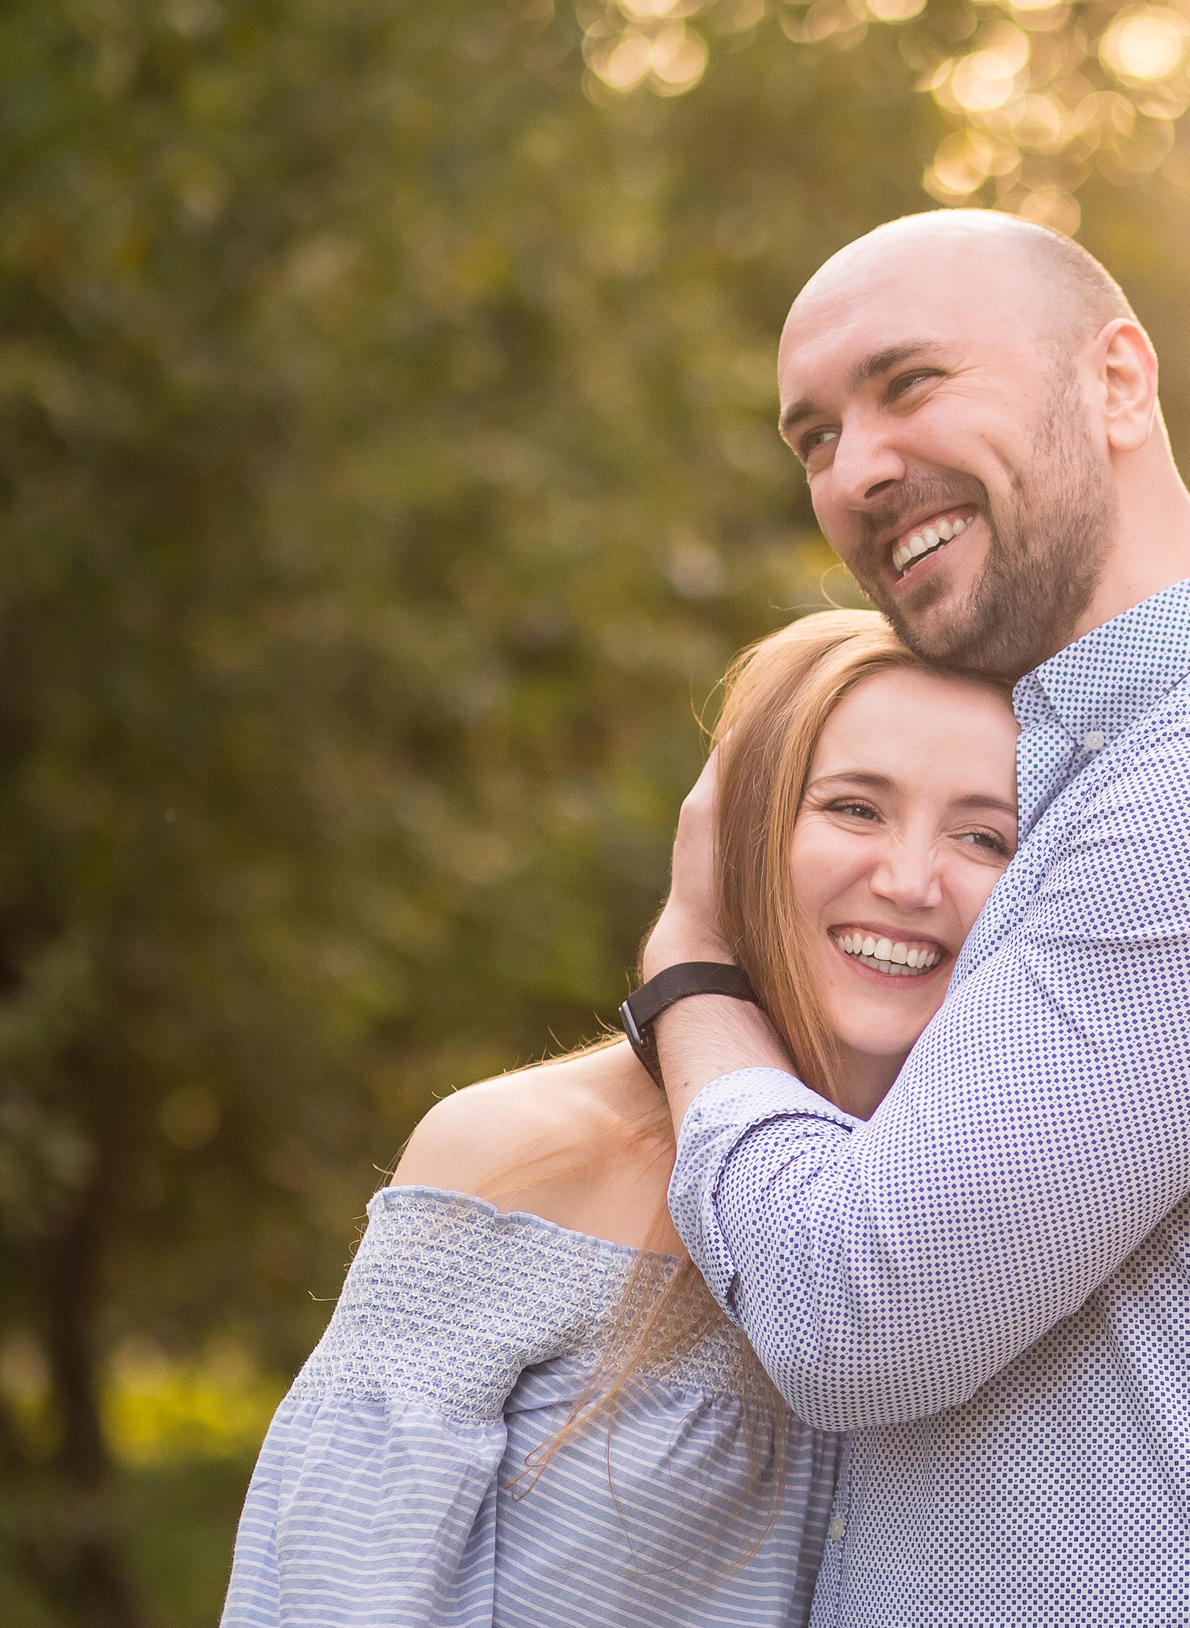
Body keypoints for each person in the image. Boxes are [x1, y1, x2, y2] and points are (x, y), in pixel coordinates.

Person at [639, 210, 1190, 1625]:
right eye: (814, 439)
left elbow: (857, 1315)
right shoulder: (1082, 783)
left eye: (911, 382)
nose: (857, 469)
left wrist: (691, 975)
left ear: (1115, 380)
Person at [220, 611, 1020, 1627]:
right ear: (733, 831)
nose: (909, 881)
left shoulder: (1006, 1222)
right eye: (854, 809)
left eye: (983, 835)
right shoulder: (515, 1158)